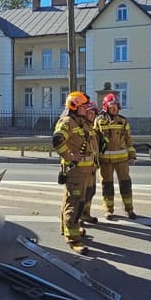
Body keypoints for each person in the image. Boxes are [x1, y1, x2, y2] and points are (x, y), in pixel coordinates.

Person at [52, 92, 99, 253]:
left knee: (76, 201)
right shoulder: (67, 122)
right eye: (84, 106)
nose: (86, 109)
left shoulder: (81, 122)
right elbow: (57, 140)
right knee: (74, 204)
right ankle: (73, 239)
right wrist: (69, 156)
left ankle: (69, 228)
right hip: (76, 171)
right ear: (74, 106)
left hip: (87, 170)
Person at [94, 93, 137, 220]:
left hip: (122, 160)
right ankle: (108, 210)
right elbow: (94, 141)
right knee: (107, 185)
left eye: (116, 106)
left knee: (126, 184)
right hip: (104, 161)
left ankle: (129, 210)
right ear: (106, 107)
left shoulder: (123, 121)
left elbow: (129, 140)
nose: (114, 109)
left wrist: (132, 155)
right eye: (111, 106)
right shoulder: (99, 120)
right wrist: (95, 158)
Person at [80, 101, 102, 224]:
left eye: (94, 113)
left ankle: (85, 214)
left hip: (91, 167)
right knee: (81, 194)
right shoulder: (81, 127)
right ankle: (77, 218)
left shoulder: (91, 128)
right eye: (89, 113)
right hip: (82, 168)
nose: (92, 115)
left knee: (90, 192)